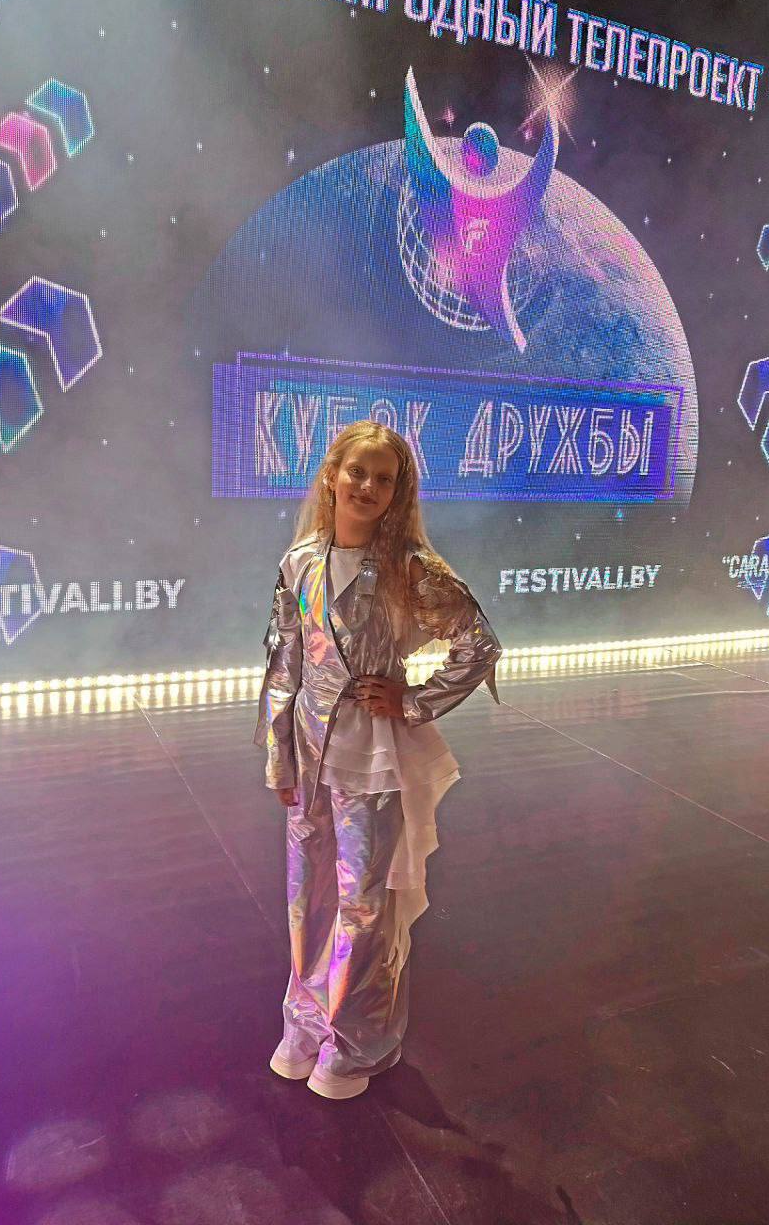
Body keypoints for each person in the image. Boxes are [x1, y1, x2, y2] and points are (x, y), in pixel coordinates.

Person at [253, 419, 502, 1100]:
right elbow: (283, 662)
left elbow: (479, 644)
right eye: (357, 471)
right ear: (332, 476)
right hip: (310, 753)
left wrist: (414, 701)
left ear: (398, 493)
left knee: (363, 904)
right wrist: (278, 753)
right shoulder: (300, 561)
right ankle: (305, 1023)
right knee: (306, 897)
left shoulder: (407, 569)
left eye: (383, 479)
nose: (366, 486)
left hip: (372, 759)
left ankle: (355, 1040)